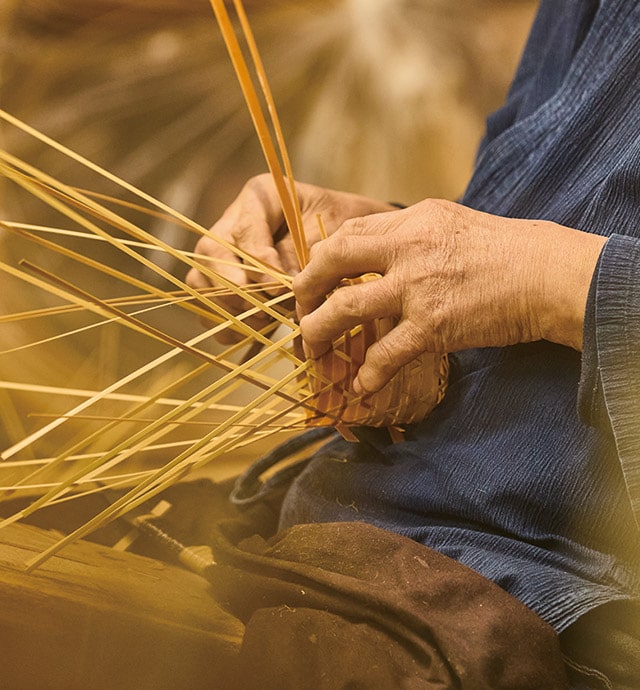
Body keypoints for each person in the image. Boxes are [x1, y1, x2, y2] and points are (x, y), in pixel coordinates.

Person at [187, 1, 640, 686]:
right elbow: (562, 213)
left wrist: (549, 279)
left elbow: (553, 267)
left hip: (546, 609)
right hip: (364, 527)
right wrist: (385, 256)